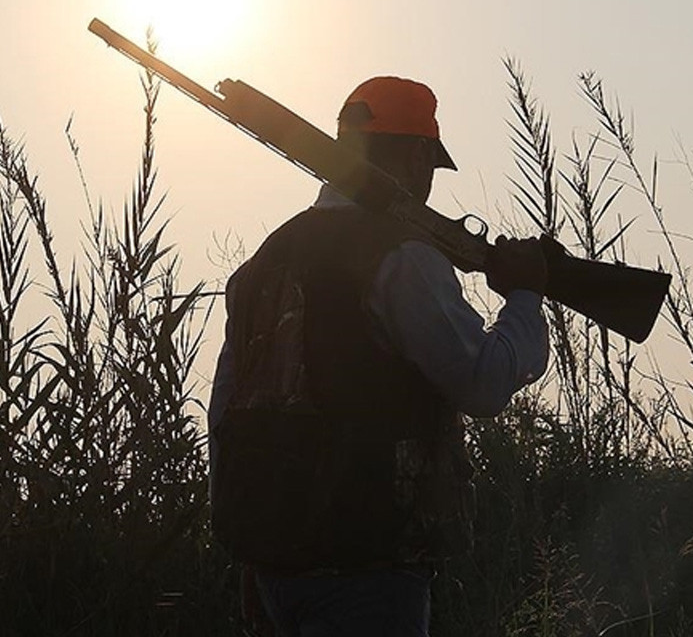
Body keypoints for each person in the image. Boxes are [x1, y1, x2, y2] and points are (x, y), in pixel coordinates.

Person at [208, 76, 550, 636]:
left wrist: (246, 545)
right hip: (368, 565)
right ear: (416, 158)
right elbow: (484, 384)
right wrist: (525, 296)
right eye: (429, 164)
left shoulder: (262, 263)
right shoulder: (403, 256)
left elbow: (226, 415)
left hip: (274, 569)